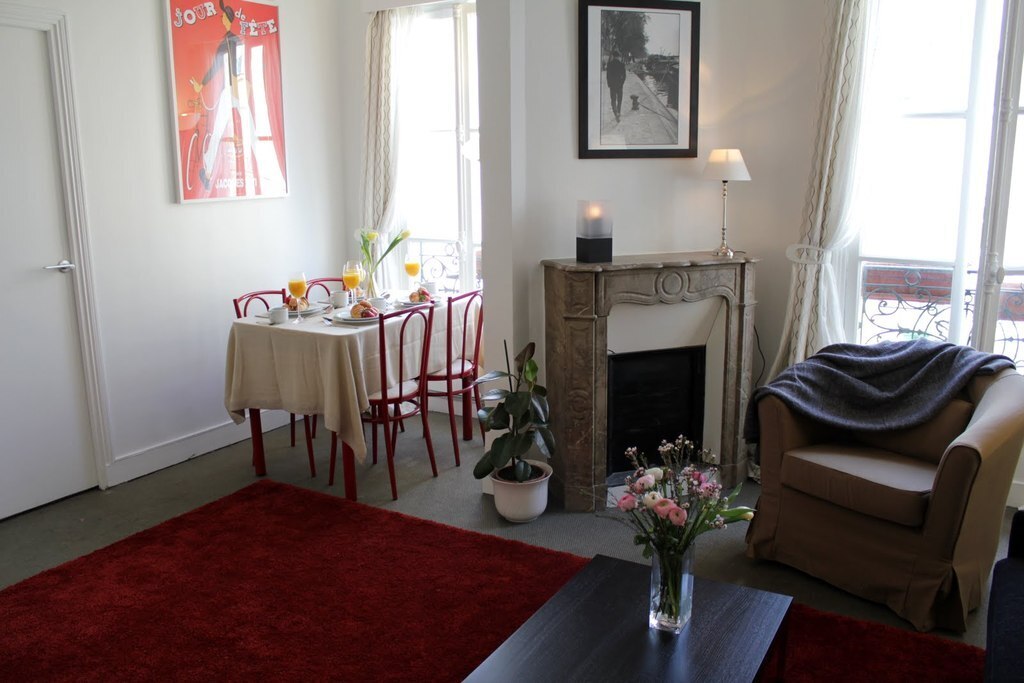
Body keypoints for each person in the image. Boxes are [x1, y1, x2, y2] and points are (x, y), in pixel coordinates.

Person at [189, 0, 257, 191]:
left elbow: (215, 67)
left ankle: (208, 172)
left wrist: (201, 84)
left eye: (222, 16)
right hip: (239, 89)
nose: (220, 18)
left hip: (231, 90)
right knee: (248, 130)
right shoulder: (237, 40)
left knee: (220, 131)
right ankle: (210, 172)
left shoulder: (227, 41)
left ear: (227, 19)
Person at [606, 50, 626, 123]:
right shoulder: (622, 64)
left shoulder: (609, 64)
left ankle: (616, 113)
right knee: (619, 100)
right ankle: (619, 112)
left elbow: (608, 76)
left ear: (613, 56)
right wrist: (622, 83)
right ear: (618, 56)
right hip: (619, 85)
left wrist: (609, 84)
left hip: (612, 85)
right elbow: (624, 76)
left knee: (613, 100)